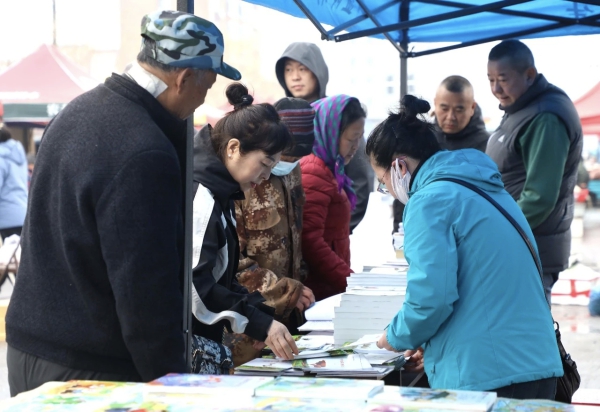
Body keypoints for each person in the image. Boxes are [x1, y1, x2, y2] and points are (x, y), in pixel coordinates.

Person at [6, 10, 240, 395]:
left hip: (31, 349)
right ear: (183, 78)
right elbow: (145, 291)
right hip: (88, 368)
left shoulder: (76, 111)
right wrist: (173, 386)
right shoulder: (144, 150)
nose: (203, 99)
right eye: (208, 85)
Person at [370, 95, 562, 399]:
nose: (389, 191)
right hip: (536, 364)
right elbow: (481, 287)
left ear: (399, 166)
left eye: (383, 182)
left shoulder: (427, 201)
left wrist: (392, 338)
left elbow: (431, 298)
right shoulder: (484, 187)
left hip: (489, 375)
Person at [191, 83, 299, 362]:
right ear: (233, 148)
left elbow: (222, 279)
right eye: (264, 164)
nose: (266, 177)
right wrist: (260, 323)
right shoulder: (202, 197)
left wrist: (263, 317)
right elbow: (196, 289)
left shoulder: (221, 193)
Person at [486, 40, 583, 302]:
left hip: (530, 248)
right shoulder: (520, 108)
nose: (495, 89)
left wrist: (493, 233)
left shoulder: (545, 118)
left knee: (524, 324)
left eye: (502, 80)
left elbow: (539, 198)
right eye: (490, 80)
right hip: (517, 245)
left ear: (529, 75)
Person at [234, 98, 316, 326]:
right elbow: (232, 262)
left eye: (297, 159)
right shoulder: (244, 181)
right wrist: (283, 291)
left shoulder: (293, 172)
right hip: (251, 317)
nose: (289, 164)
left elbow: (295, 239)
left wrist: (297, 289)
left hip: (291, 313)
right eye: (284, 158)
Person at [275, 42, 373, 233]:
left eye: (303, 69)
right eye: (288, 70)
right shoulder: (279, 119)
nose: (295, 76)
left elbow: (360, 180)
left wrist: (339, 230)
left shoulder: (339, 116)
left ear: (318, 71)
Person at [393, 75, 490, 234]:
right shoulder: (422, 140)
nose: (451, 117)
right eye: (444, 108)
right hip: (423, 229)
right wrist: (399, 229)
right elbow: (404, 188)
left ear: (472, 107)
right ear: (435, 104)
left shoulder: (487, 146)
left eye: (459, 109)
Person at [301, 95, 366, 301]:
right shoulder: (313, 171)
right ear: (330, 133)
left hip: (329, 285)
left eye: (360, 138)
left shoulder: (331, 170)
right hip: (319, 290)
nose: (356, 146)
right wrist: (348, 280)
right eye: (351, 138)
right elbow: (310, 240)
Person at [0, 124, 28, 241]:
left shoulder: (1, 158)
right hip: (23, 211)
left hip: (7, 216)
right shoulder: (18, 153)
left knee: (9, 251)